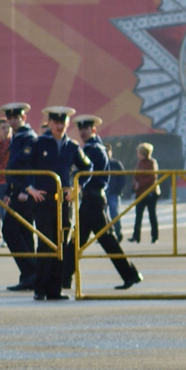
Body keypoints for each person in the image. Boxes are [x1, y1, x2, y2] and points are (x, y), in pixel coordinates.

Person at [29, 106, 91, 300]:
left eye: (62, 123)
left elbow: (87, 167)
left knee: (61, 244)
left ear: (66, 124)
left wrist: (78, 186)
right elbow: (19, 166)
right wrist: (29, 188)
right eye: (55, 123)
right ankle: (40, 289)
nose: (59, 126)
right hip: (44, 201)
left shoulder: (72, 146)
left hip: (64, 203)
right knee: (46, 244)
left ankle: (55, 290)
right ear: (50, 123)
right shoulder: (39, 143)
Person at [73, 115, 141, 291]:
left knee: (105, 240)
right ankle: (63, 276)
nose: (83, 132)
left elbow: (88, 174)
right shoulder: (93, 148)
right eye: (81, 129)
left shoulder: (94, 149)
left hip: (93, 199)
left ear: (93, 130)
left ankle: (130, 274)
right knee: (78, 240)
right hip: (90, 199)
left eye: (86, 129)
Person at [1, 102, 40, 290]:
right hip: (17, 190)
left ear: (23, 118)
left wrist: (26, 189)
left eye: (16, 117)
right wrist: (9, 192)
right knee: (24, 233)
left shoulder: (29, 138)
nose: (12, 121)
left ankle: (32, 271)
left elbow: (29, 165)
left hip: (25, 192)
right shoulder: (16, 138)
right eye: (10, 118)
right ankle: (29, 277)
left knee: (9, 230)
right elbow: (12, 168)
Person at [130, 143, 160, 243]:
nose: (137, 154)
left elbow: (152, 177)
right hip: (140, 193)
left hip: (150, 193)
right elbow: (135, 176)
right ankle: (136, 236)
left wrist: (140, 184)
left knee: (152, 215)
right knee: (138, 215)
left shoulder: (151, 162)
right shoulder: (139, 163)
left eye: (138, 152)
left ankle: (155, 237)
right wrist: (135, 184)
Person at [104, 145, 126, 239]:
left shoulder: (116, 164)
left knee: (114, 212)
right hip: (103, 191)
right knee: (103, 214)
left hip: (113, 192)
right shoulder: (100, 162)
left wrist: (118, 190)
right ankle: (106, 232)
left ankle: (118, 231)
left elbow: (122, 178)